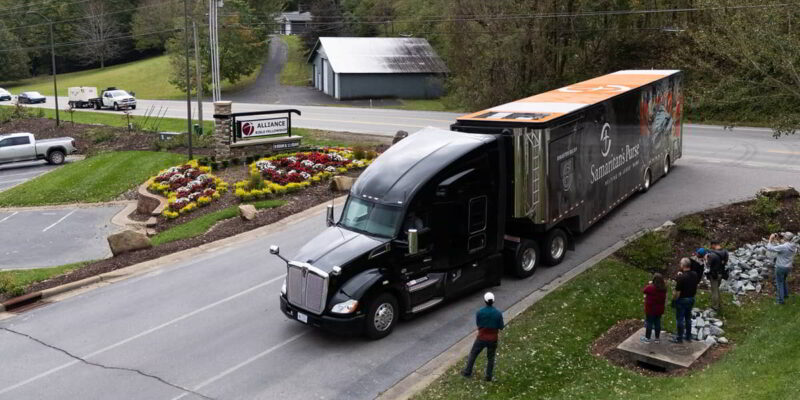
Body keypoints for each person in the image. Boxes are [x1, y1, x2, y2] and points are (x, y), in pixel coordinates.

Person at [462, 292, 504, 382]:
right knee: (490, 358)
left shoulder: (480, 312)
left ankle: (467, 371)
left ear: (485, 301)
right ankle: (488, 376)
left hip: (481, 338)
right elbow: (501, 327)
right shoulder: (498, 313)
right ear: (493, 301)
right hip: (493, 339)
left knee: (473, 354)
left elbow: (478, 324)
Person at [671, 258, 700, 344]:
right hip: (691, 298)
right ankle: (688, 336)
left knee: (680, 319)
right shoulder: (695, 274)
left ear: (683, 265)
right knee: (688, 318)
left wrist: (674, 300)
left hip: (682, 300)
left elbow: (677, 293)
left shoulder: (681, 277)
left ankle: (679, 338)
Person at [766, 232, 797, 305]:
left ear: (785, 238)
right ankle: (785, 295)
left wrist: (770, 239)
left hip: (780, 267)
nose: (782, 237)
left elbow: (770, 248)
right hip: (788, 267)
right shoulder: (793, 246)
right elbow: (782, 246)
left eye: (783, 237)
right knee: (784, 281)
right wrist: (776, 240)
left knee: (779, 283)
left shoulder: (784, 247)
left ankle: (780, 301)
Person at [641, 273, 667, 344]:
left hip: (650, 309)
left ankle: (647, 339)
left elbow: (644, 290)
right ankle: (657, 338)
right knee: (657, 323)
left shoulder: (650, 288)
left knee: (649, 323)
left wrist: (650, 284)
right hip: (659, 310)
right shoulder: (664, 288)